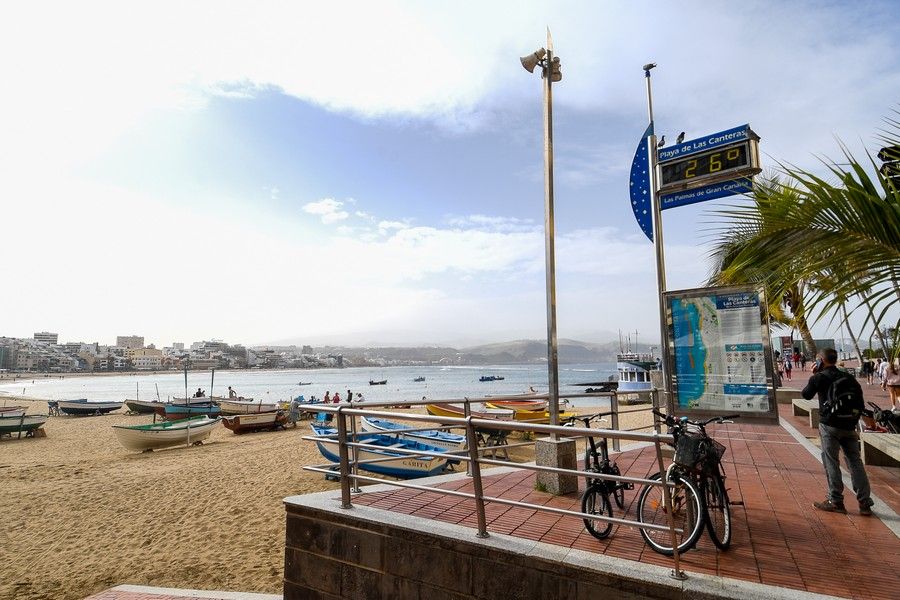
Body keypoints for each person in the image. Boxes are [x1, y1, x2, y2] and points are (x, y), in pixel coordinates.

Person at [801, 348, 873, 516]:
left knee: (831, 461)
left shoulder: (819, 377)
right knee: (855, 462)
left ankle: (836, 500)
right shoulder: (848, 377)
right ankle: (865, 502)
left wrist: (814, 374)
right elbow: (860, 401)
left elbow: (806, 395)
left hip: (829, 425)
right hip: (849, 425)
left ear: (820, 360)